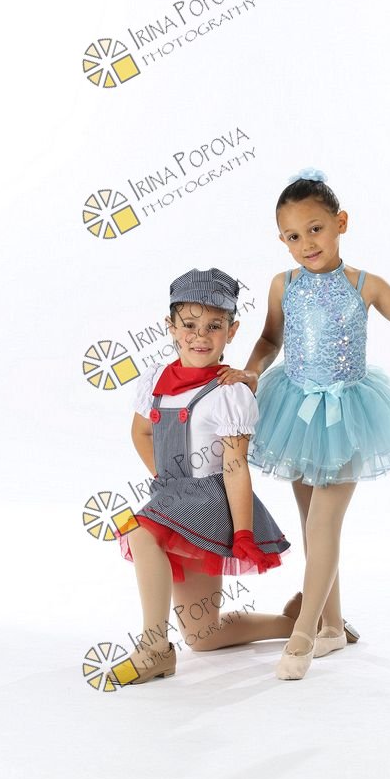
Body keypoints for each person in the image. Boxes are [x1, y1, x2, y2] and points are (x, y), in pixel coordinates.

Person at [217, 169, 390, 680]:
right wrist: (252, 372)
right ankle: (332, 626)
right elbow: (270, 340)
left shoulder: (365, 286)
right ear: (281, 241)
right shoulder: (283, 285)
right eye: (293, 236)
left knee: (324, 523)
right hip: (294, 409)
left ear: (340, 223)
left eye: (316, 229)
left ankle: (303, 635)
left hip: (346, 415)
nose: (306, 244)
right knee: (310, 523)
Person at [113, 267, 296, 687]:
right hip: (176, 499)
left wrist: (244, 532)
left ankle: (156, 648)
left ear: (232, 331)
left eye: (214, 326)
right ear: (171, 327)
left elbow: (235, 466)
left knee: (140, 531)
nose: (200, 336)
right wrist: (167, 480)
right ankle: (295, 621)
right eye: (190, 325)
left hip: (212, 504)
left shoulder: (229, 392)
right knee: (203, 635)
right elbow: (141, 432)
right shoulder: (156, 380)